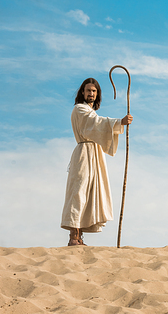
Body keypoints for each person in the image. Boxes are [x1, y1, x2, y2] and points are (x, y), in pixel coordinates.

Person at [61, 77, 133, 246]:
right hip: (84, 154)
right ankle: (73, 237)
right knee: (79, 192)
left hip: (94, 154)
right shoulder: (80, 109)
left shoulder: (90, 111)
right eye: (88, 91)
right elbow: (95, 123)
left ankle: (79, 237)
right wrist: (118, 122)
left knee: (90, 192)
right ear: (82, 92)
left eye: (94, 91)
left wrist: (117, 125)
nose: (91, 94)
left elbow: (96, 122)